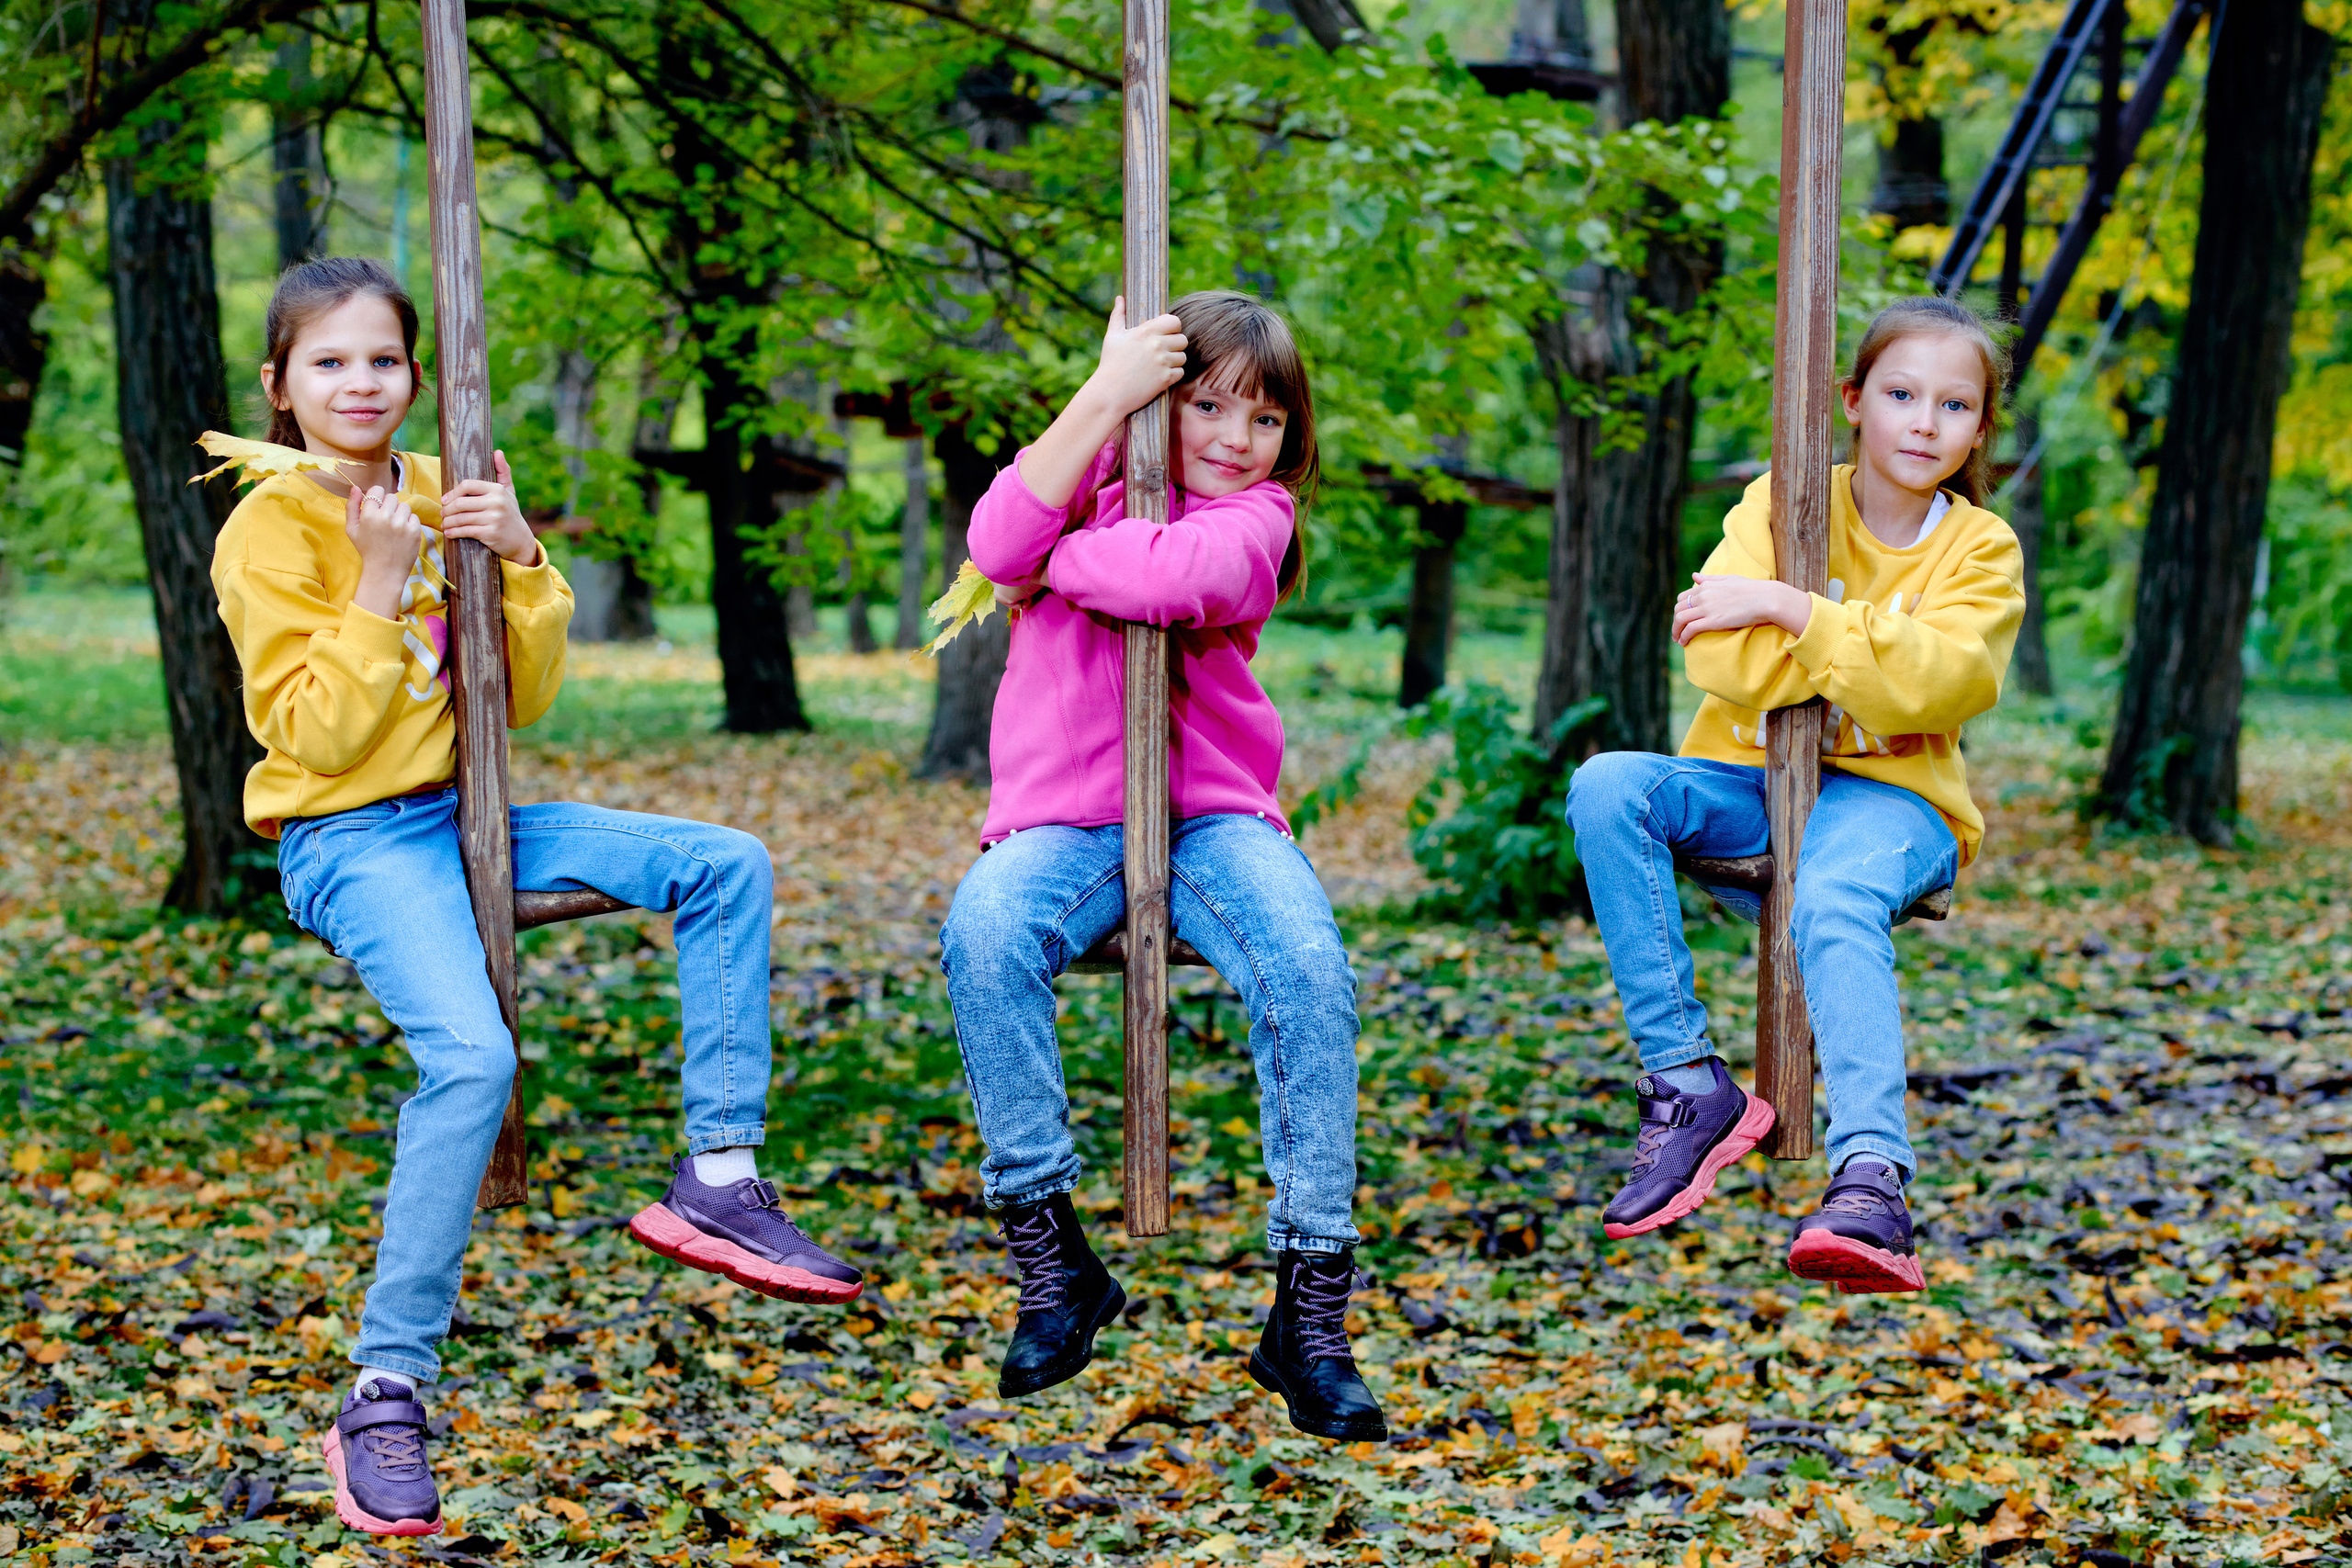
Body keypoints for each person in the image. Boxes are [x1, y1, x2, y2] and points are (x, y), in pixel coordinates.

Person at [209, 257, 862, 1538]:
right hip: (350, 832)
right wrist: (382, 585)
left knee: (721, 859)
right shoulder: (269, 526)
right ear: (279, 385)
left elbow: (525, 691)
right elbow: (319, 735)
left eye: (384, 358)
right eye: (328, 361)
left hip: (473, 809)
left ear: (414, 374)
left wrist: (517, 556)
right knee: (471, 1059)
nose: (361, 381)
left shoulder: (440, 486)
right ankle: (387, 1385)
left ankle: (718, 1174)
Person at [937, 290, 1385, 1441]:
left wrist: (1058, 561)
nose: (1239, 440)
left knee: (1308, 971)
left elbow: (1165, 581)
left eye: (1268, 419)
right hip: (1063, 821)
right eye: (1208, 408)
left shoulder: (1262, 518)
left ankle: (1310, 1308)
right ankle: (1051, 1259)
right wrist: (1102, 398)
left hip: (1211, 816)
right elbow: (995, 548)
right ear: (1156, 402)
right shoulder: (1090, 467)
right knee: (984, 936)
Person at [1566, 295, 2026, 1294]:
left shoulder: (1978, 550)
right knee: (1608, 786)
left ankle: (1872, 1177)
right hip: (1748, 782)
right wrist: (1863, 659)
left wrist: (1789, 608)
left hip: (1895, 802)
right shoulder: (1783, 504)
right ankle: (1689, 1084)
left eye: (1954, 406)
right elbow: (1724, 667)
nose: (1923, 422)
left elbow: (1947, 684)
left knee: (1829, 889)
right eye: (1901, 394)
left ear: (1979, 428)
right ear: (1855, 401)